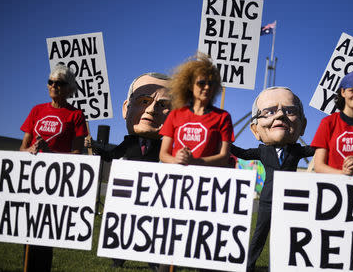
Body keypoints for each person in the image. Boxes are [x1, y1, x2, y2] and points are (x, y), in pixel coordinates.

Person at [87, 72, 171, 271]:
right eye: (144, 100)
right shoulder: (127, 143)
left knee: (150, 226)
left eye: (162, 105)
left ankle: (153, 261)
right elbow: (112, 154)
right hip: (127, 191)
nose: (151, 110)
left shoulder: (164, 147)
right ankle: (118, 259)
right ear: (126, 108)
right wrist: (95, 148)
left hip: (152, 192)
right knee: (125, 224)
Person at [230, 86, 314, 272]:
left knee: (286, 238)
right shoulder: (263, 151)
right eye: (269, 112)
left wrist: (334, 135)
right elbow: (242, 153)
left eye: (290, 110)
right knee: (259, 235)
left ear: (302, 126)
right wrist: (223, 142)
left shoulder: (297, 151)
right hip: (268, 201)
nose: (280, 116)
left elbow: (317, 148)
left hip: (291, 201)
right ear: (255, 130)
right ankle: (247, 266)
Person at [20, 63, 88, 272]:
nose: (54, 86)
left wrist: (50, 154)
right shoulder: (37, 110)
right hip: (31, 179)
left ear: (69, 89)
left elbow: (78, 155)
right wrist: (32, 149)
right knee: (27, 233)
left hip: (55, 183)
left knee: (45, 235)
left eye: (59, 83)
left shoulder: (76, 115)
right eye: (50, 82)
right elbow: (22, 148)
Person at [159, 53, 234, 167]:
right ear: (190, 85)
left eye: (211, 83)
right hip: (175, 177)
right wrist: (176, 159)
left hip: (205, 180)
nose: (207, 87)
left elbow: (224, 157)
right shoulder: (175, 114)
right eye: (201, 83)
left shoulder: (223, 117)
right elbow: (163, 154)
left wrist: (194, 162)